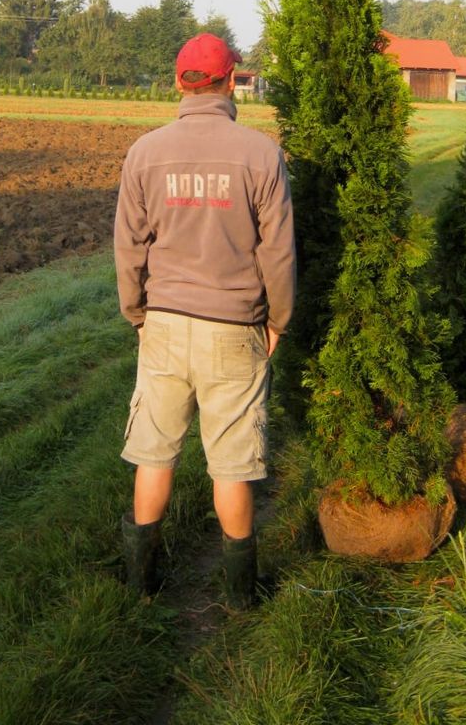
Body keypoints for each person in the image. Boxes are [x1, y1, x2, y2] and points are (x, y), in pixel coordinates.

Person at [114, 32, 295, 608]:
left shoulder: (145, 152)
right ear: (229, 80)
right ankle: (242, 597)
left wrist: (137, 313)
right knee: (232, 464)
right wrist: (279, 321)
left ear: (179, 82)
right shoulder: (261, 153)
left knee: (154, 452)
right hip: (235, 328)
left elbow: (128, 247)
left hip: (164, 324)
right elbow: (279, 252)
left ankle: (141, 585)